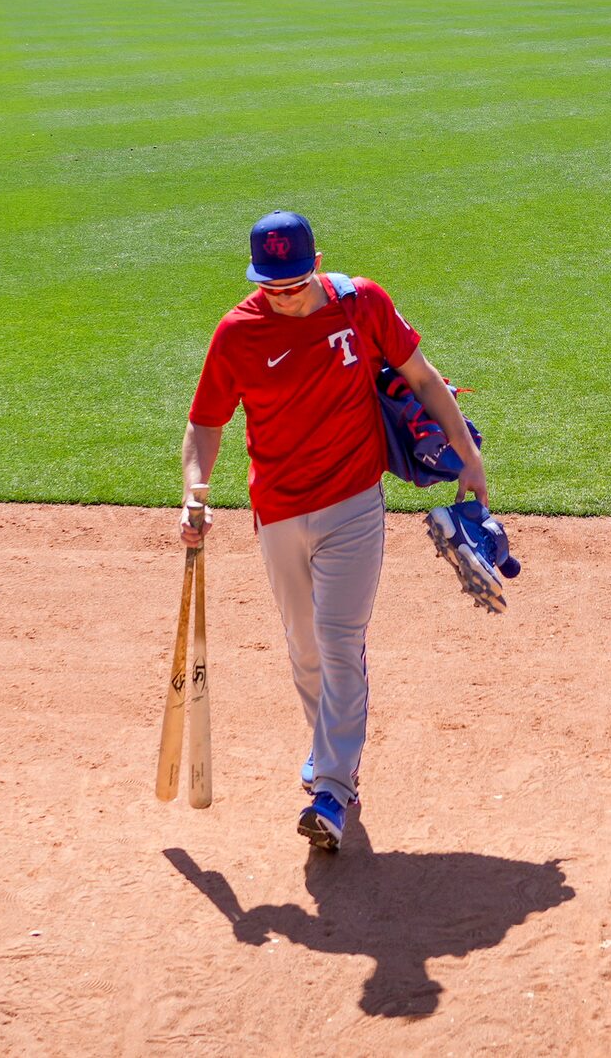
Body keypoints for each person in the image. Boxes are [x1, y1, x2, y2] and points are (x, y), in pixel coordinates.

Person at [180, 210, 486, 852]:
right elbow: (206, 422)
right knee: (303, 646)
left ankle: (333, 789)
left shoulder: (363, 304)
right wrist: (195, 492)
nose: (285, 295)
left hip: (353, 504)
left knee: (338, 639)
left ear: (316, 266)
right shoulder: (236, 334)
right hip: (279, 511)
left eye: (294, 281)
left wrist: (470, 457)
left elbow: (423, 379)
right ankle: (326, 753)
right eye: (273, 285)